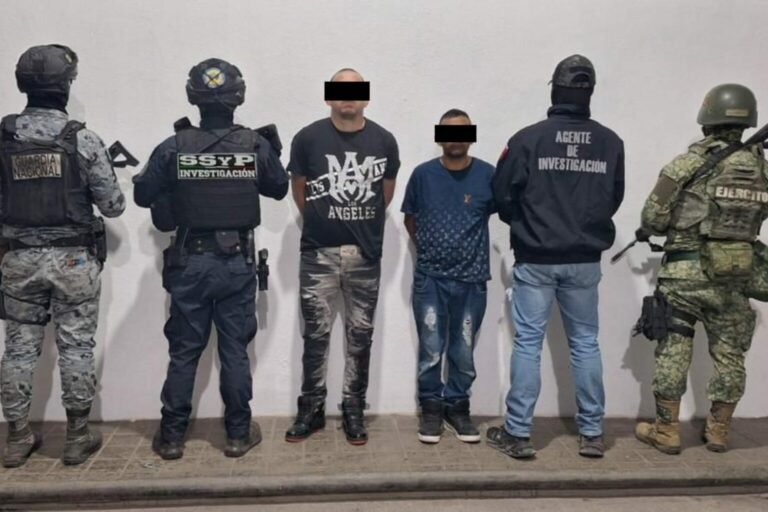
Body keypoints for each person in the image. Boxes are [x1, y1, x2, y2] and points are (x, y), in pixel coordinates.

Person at [133, 58, 288, 459]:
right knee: (234, 350)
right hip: (236, 264)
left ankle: (171, 438)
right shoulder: (254, 145)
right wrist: (271, 151)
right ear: (239, 97)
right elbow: (278, 188)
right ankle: (237, 434)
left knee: (185, 351)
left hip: (190, 264)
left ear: (193, 97)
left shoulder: (173, 146)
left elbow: (142, 194)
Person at [489, 55, 625, 459]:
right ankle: (592, 433)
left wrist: (527, 225)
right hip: (584, 259)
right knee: (585, 343)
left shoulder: (528, 139)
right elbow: (613, 197)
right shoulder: (610, 142)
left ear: (555, 90)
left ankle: (518, 433)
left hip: (537, 257)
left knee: (528, 343)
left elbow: (502, 194)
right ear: (590, 92)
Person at [0, 44, 126, 467]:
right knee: (76, 348)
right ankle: (76, 437)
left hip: (18, 260)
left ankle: (17, 439)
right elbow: (113, 206)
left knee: (18, 351)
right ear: (65, 87)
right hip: (73, 261)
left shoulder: (4, 139)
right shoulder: (82, 139)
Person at [634, 83, 766, 454]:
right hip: (734, 277)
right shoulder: (762, 170)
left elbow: (653, 218)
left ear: (707, 119)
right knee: (730, 355)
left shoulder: (687, 165)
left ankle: (666, 430)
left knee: (674, 349)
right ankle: (719, 431)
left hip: (684, 278)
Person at [285, 68, 400, 445]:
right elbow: (300, 190)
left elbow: (385, 194)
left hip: (365, 254)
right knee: (315, 335)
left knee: (360, 336)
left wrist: (358, 223)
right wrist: (325, 222)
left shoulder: (384, 140)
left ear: (366, 97)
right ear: (328, 96)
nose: (348, 96)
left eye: (355, 90)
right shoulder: (307, 138)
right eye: (340, 90)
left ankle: (354, 408)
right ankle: (311, 408)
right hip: (317, 253)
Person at [402, 109, 495, 444]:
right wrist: (431, 250)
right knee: (430, 348)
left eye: (463, 131)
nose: (456, 138)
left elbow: (506, 211)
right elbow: (410, 218)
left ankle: (457, 407)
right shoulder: (422, 175)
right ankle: (430, 408)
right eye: (449, 131)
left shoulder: (488, 175)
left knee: (463, 349)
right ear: (439, 136)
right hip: (430, 279)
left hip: (472, 280)